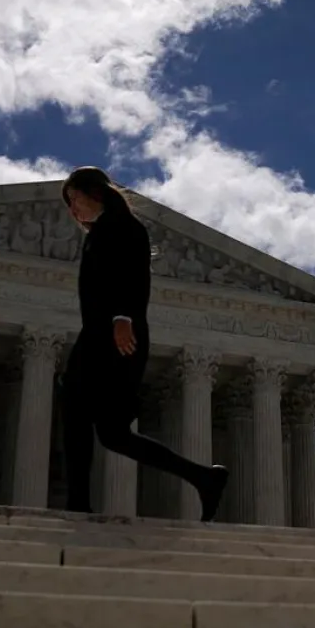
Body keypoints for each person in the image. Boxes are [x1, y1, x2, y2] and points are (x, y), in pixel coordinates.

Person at [58, 166, 227, 519]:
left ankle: (77, 502)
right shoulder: (100, 232)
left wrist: (123, 317)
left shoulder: (123, 228)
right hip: (104, 334)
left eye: (75, 200)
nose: (73, 210)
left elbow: (134, 276)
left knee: (83, 414)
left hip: (116, 334)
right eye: (69, 205)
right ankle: (202, 477)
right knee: (109, 432)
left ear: (97, 193)